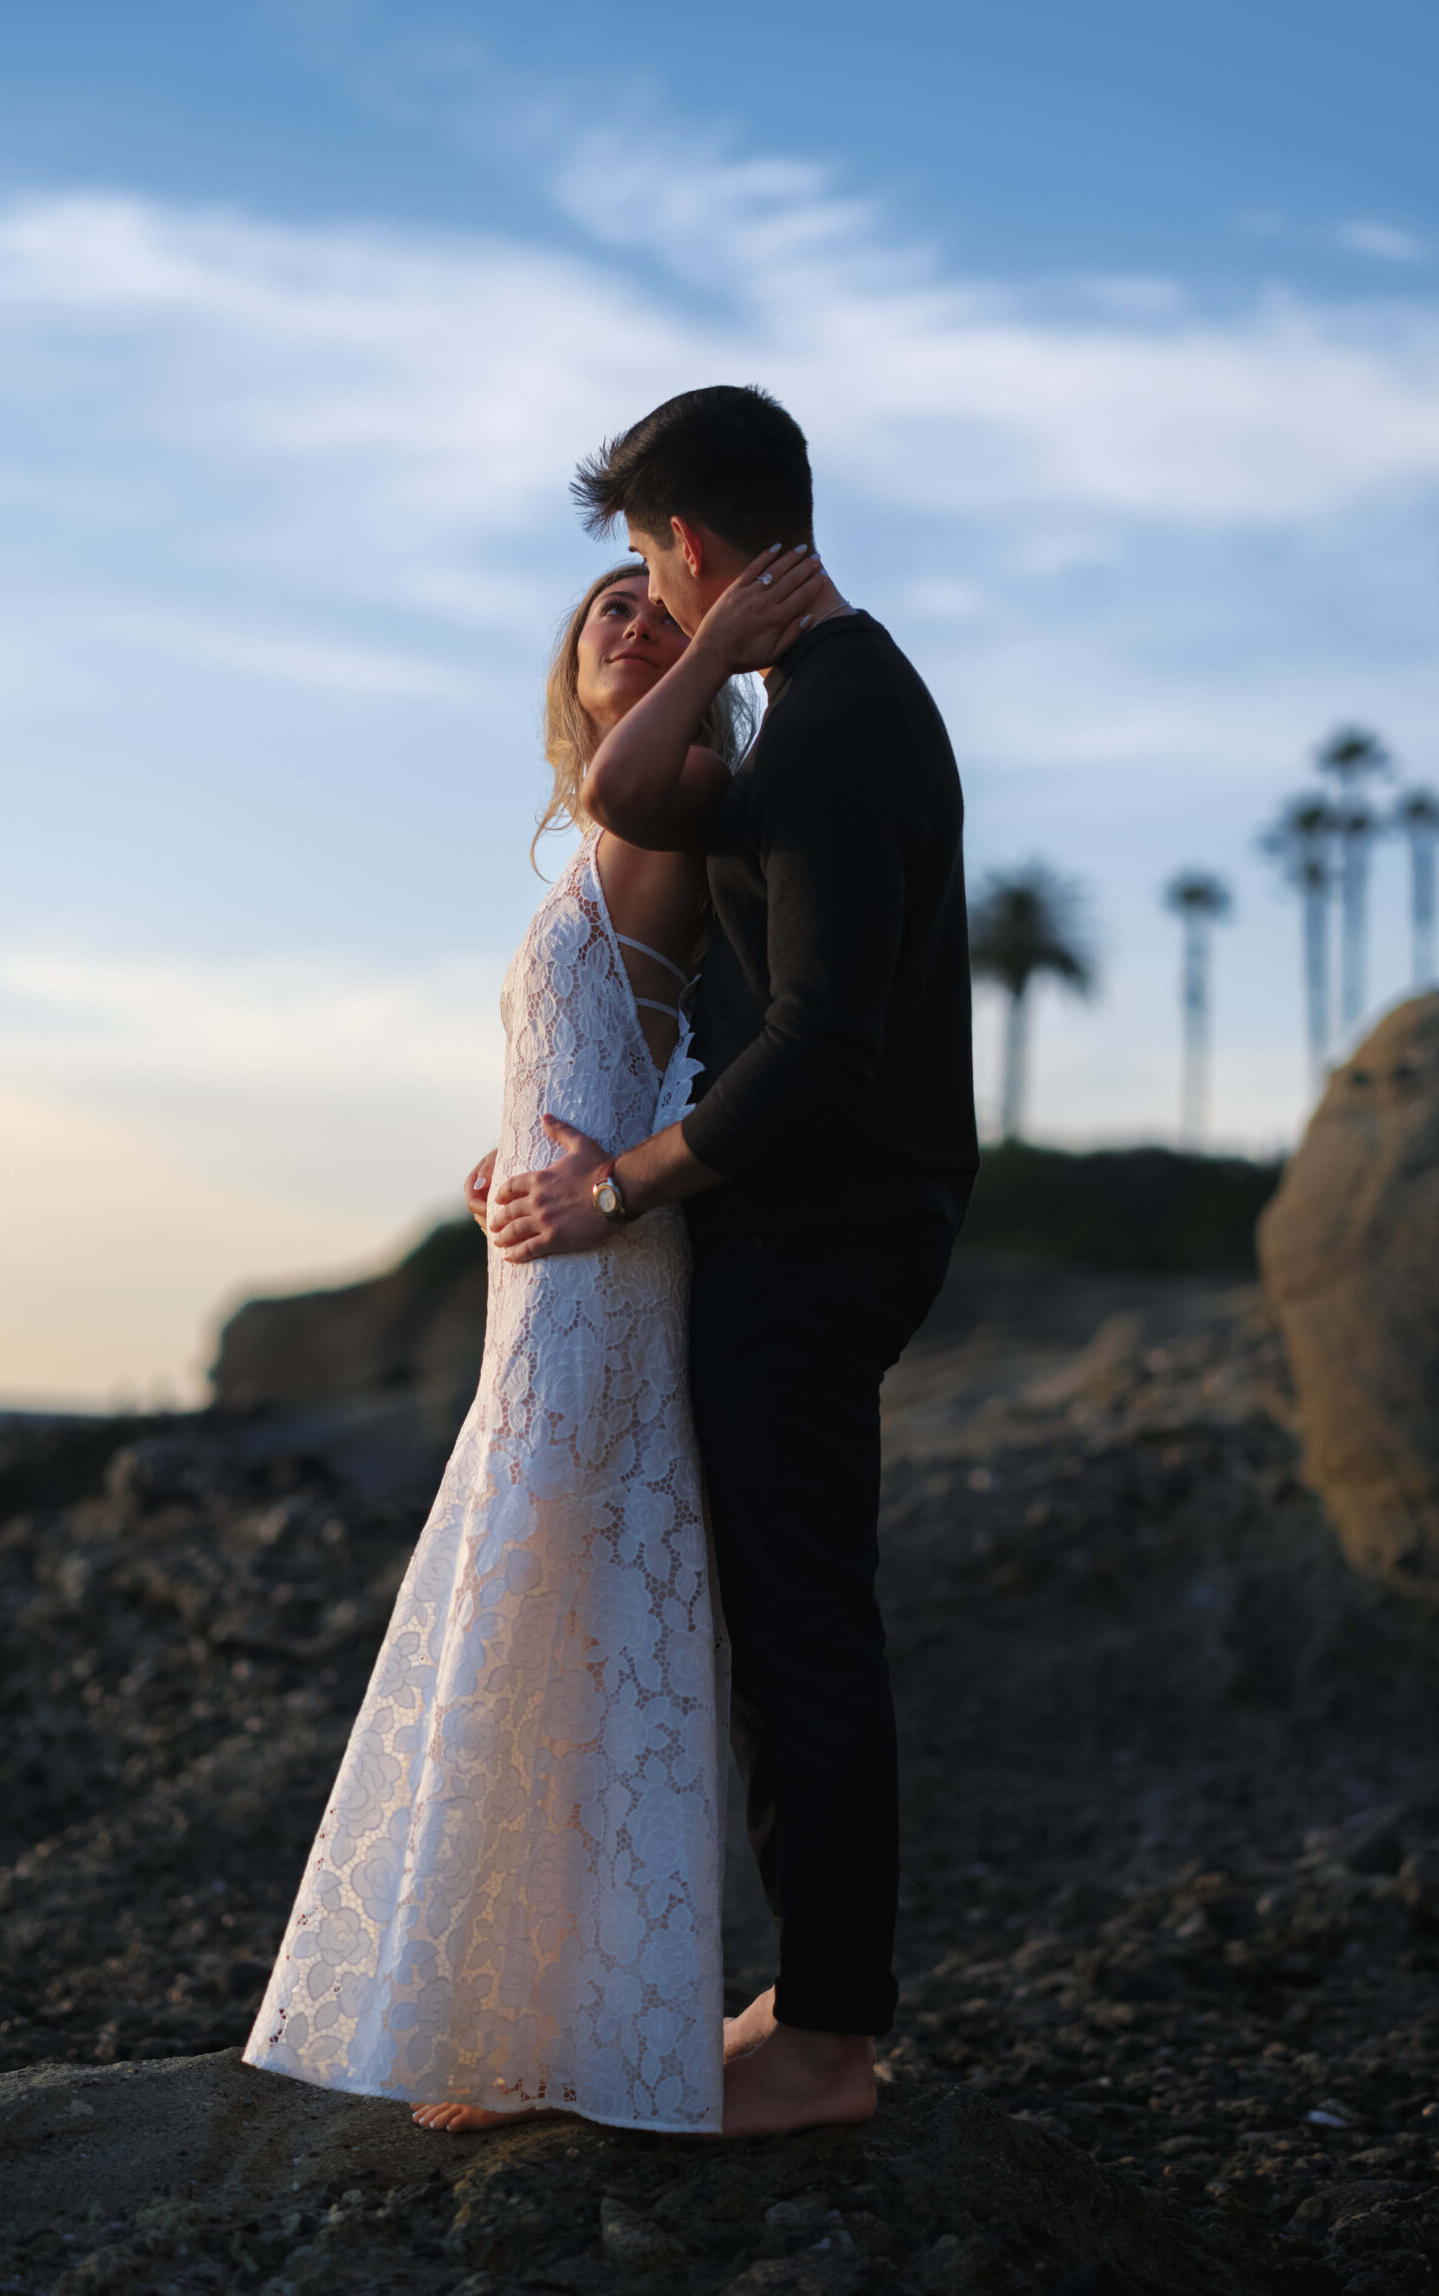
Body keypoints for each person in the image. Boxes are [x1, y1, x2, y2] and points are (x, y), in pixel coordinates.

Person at [490, 385, 978, 2138]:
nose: (642, 592)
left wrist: (621, 1185)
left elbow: (829, 1041)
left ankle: (830, 2042)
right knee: (787, 1627)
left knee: (800, 1635)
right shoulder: (815, 708)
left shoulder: (841, 722)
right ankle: (812, 2000)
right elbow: (630, 790)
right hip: (818, 1221)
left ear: (690, 546)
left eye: (643, 560)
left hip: (827, 1228)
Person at [244, 562, 758, 2134]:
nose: (632, 618)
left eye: (657, 602)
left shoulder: (673, 801)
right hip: (546, 1268)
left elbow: (695, 1045)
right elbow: (620, 1051)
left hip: (606, 1266)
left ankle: (549, 2035)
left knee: (566, 1583)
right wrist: (504, 1160)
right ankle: (514, 2013)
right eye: (606, 608)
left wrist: (718, 638)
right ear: (565, 667)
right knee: (539, 1575)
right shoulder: (613, 838)